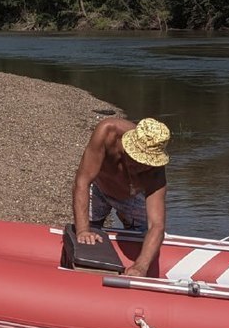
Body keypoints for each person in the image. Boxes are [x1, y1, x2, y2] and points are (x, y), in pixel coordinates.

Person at [72, 117, 170, 277]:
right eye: (135, 159)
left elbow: (157, 225)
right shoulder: (107, 132)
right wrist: (83, 230)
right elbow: (82, 181)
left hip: (132, 198)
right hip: (99, 187)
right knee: (87, 234)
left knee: (144, 237)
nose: (138, 166)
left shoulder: (156, 171)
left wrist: (141, 266)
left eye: (145, 164)